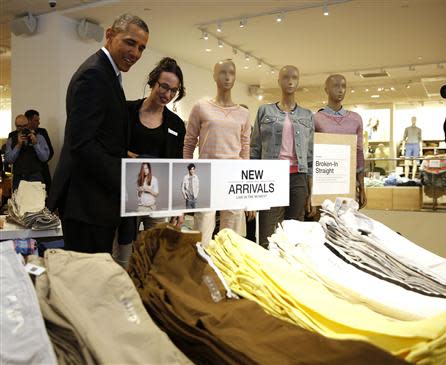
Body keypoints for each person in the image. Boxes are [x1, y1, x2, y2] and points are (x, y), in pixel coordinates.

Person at [48, 14, 149, 254]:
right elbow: (82, 145)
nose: (136, 53)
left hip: (93, 203)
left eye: (142, 48)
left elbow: (96, 135)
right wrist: (125, 175)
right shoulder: (95, 74)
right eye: (130, 42)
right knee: (87, 282)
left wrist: (122, 153)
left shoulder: (107, 74)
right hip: (86, 204)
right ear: (110, 35)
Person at [115, 57, 186, 268]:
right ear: (153, 82)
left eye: (174, 90)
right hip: (126, 198)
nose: (168, 94)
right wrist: (131, 157)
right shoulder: (126, 112)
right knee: (123, 258)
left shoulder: (175, 124)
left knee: (156, 259)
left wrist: (179, 207)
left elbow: (178, 165)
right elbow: (109, 147)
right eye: (164, 86)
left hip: (159, 198)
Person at [184, 59, 251, 246]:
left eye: (232, 73)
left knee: (231, 235)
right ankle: (200, 269)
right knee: (203, 229)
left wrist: (245, 182)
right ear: (214, 75)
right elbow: (189, 143)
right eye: (222, 72)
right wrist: (186, 174)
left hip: (234, 175)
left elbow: (245, 149)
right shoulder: (201, 107)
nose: (228, 77)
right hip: (206, 173)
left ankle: (226, 272)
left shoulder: (243, 114)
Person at [250, 65, 314, 247]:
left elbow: (310, 156)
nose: (290, 81)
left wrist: (311, 192)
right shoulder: (265, 111)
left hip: (298, 178)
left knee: (294, 237)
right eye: (285, 77)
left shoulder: (307, 115)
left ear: (299, 81)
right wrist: (253, 191)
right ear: (278, 81)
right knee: (267, 235)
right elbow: (254, 150)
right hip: (270, 176)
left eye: (294, 77)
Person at [314, 74, 367, 208]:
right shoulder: (316, 118)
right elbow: (311, 155)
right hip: (324, 183)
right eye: (336, 86)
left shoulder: (355, 119)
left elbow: (359, 153)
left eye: (343, 86)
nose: (340, 90)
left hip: (348, 184)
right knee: (323, 224)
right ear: (326, 89)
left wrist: (362, 186)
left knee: (347, 225)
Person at [5, 114, 50, 190]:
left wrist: (36, 144)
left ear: (28, 124)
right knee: (19, 201)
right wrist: (18, 145)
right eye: (19, 126)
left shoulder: (39, 137)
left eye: (25, 126)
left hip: (35, 177)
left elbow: (44, 158)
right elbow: (9, 160)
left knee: (36, 201)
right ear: (16, 126)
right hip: (18, 178)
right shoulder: (11, 140)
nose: (22, 128)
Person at [24, 109, 54, 193]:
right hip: (24, 174)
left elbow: (50, 152)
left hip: (42, 171)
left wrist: (40, 161)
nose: (39, 123)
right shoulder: (16, 134)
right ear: (29, 121)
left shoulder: (42, 133)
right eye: (36, 120)